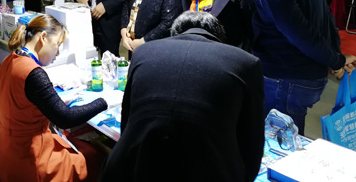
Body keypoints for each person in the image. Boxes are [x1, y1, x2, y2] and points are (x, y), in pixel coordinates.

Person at [193, 0, 356, 134]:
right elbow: (322, 14)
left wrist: (336, 60)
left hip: (288, 75)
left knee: (283, 146)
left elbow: (302, 34)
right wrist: (336, 57)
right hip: (300, 72)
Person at [101, 12, 265, 182]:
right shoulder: (245, 63)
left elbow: (127, 120)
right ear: (218, 38)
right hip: (210, 170)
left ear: (175, 33)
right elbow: (252, 143)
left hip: (136, 165)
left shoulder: (143, 52)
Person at [0, 14, 108, 182]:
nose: (57, 52)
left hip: (5, 154)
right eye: (57, 45)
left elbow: (21, 103)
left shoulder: (9, 60)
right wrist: (104, 102)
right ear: (43, 37)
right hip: (30, 162)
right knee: (95, 156)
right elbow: (66, 118)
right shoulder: (34, 73)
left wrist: (54, 101)